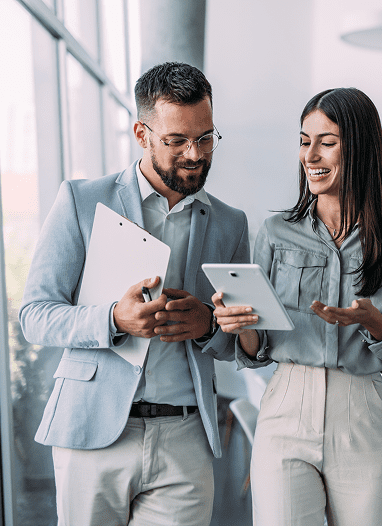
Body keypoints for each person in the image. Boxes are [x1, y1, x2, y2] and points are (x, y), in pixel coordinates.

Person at [19, 62, 250, 526]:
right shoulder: (82, 201)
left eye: (206, 138)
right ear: (142, 134)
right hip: (93, 431)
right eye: (177, 141)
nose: (195, 153)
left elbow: (239, 342)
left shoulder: (230, 222)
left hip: (186, 438)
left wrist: (208, 325)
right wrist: (113, 319)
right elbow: (34, 315)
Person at [212, 87, 382, 526]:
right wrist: (239, 324)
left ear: (362, 148)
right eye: (303, 140)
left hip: (362, 412)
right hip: (285, 405)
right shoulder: (276, 232)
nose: (309, 155)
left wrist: (379, 327)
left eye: (326, 142)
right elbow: (260, 348)